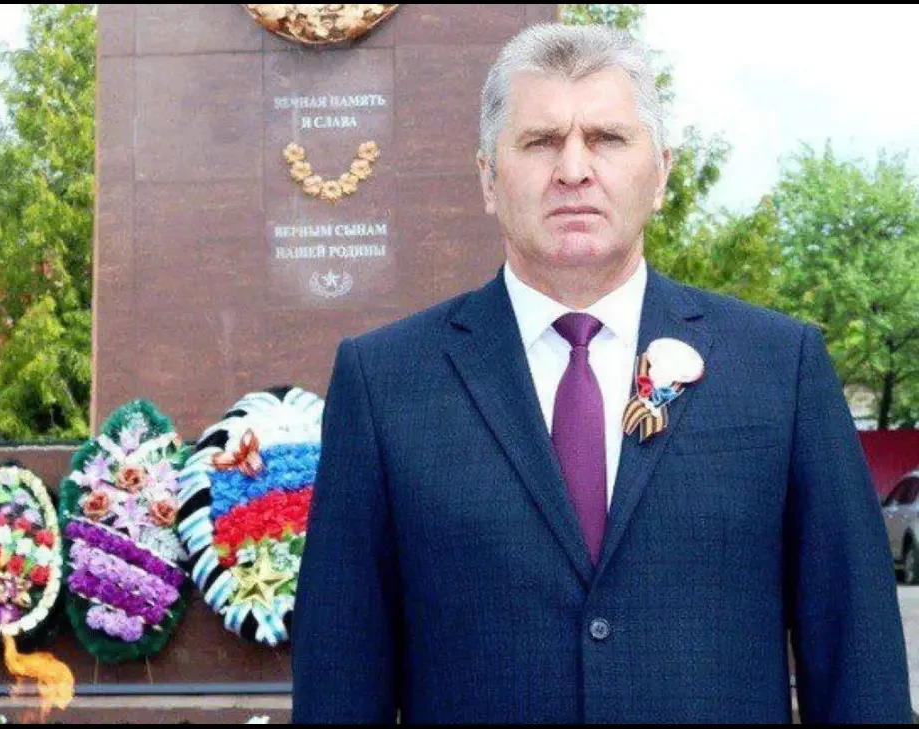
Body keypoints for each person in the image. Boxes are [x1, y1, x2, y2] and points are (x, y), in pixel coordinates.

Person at [291, 23, 912, 723]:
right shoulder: (384, 383)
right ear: (488, 178)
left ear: (662, 174)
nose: (574, 169)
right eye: (540, 141)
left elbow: (858, 657)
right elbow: (340, 676)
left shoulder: (780, 368)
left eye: (607, 138)